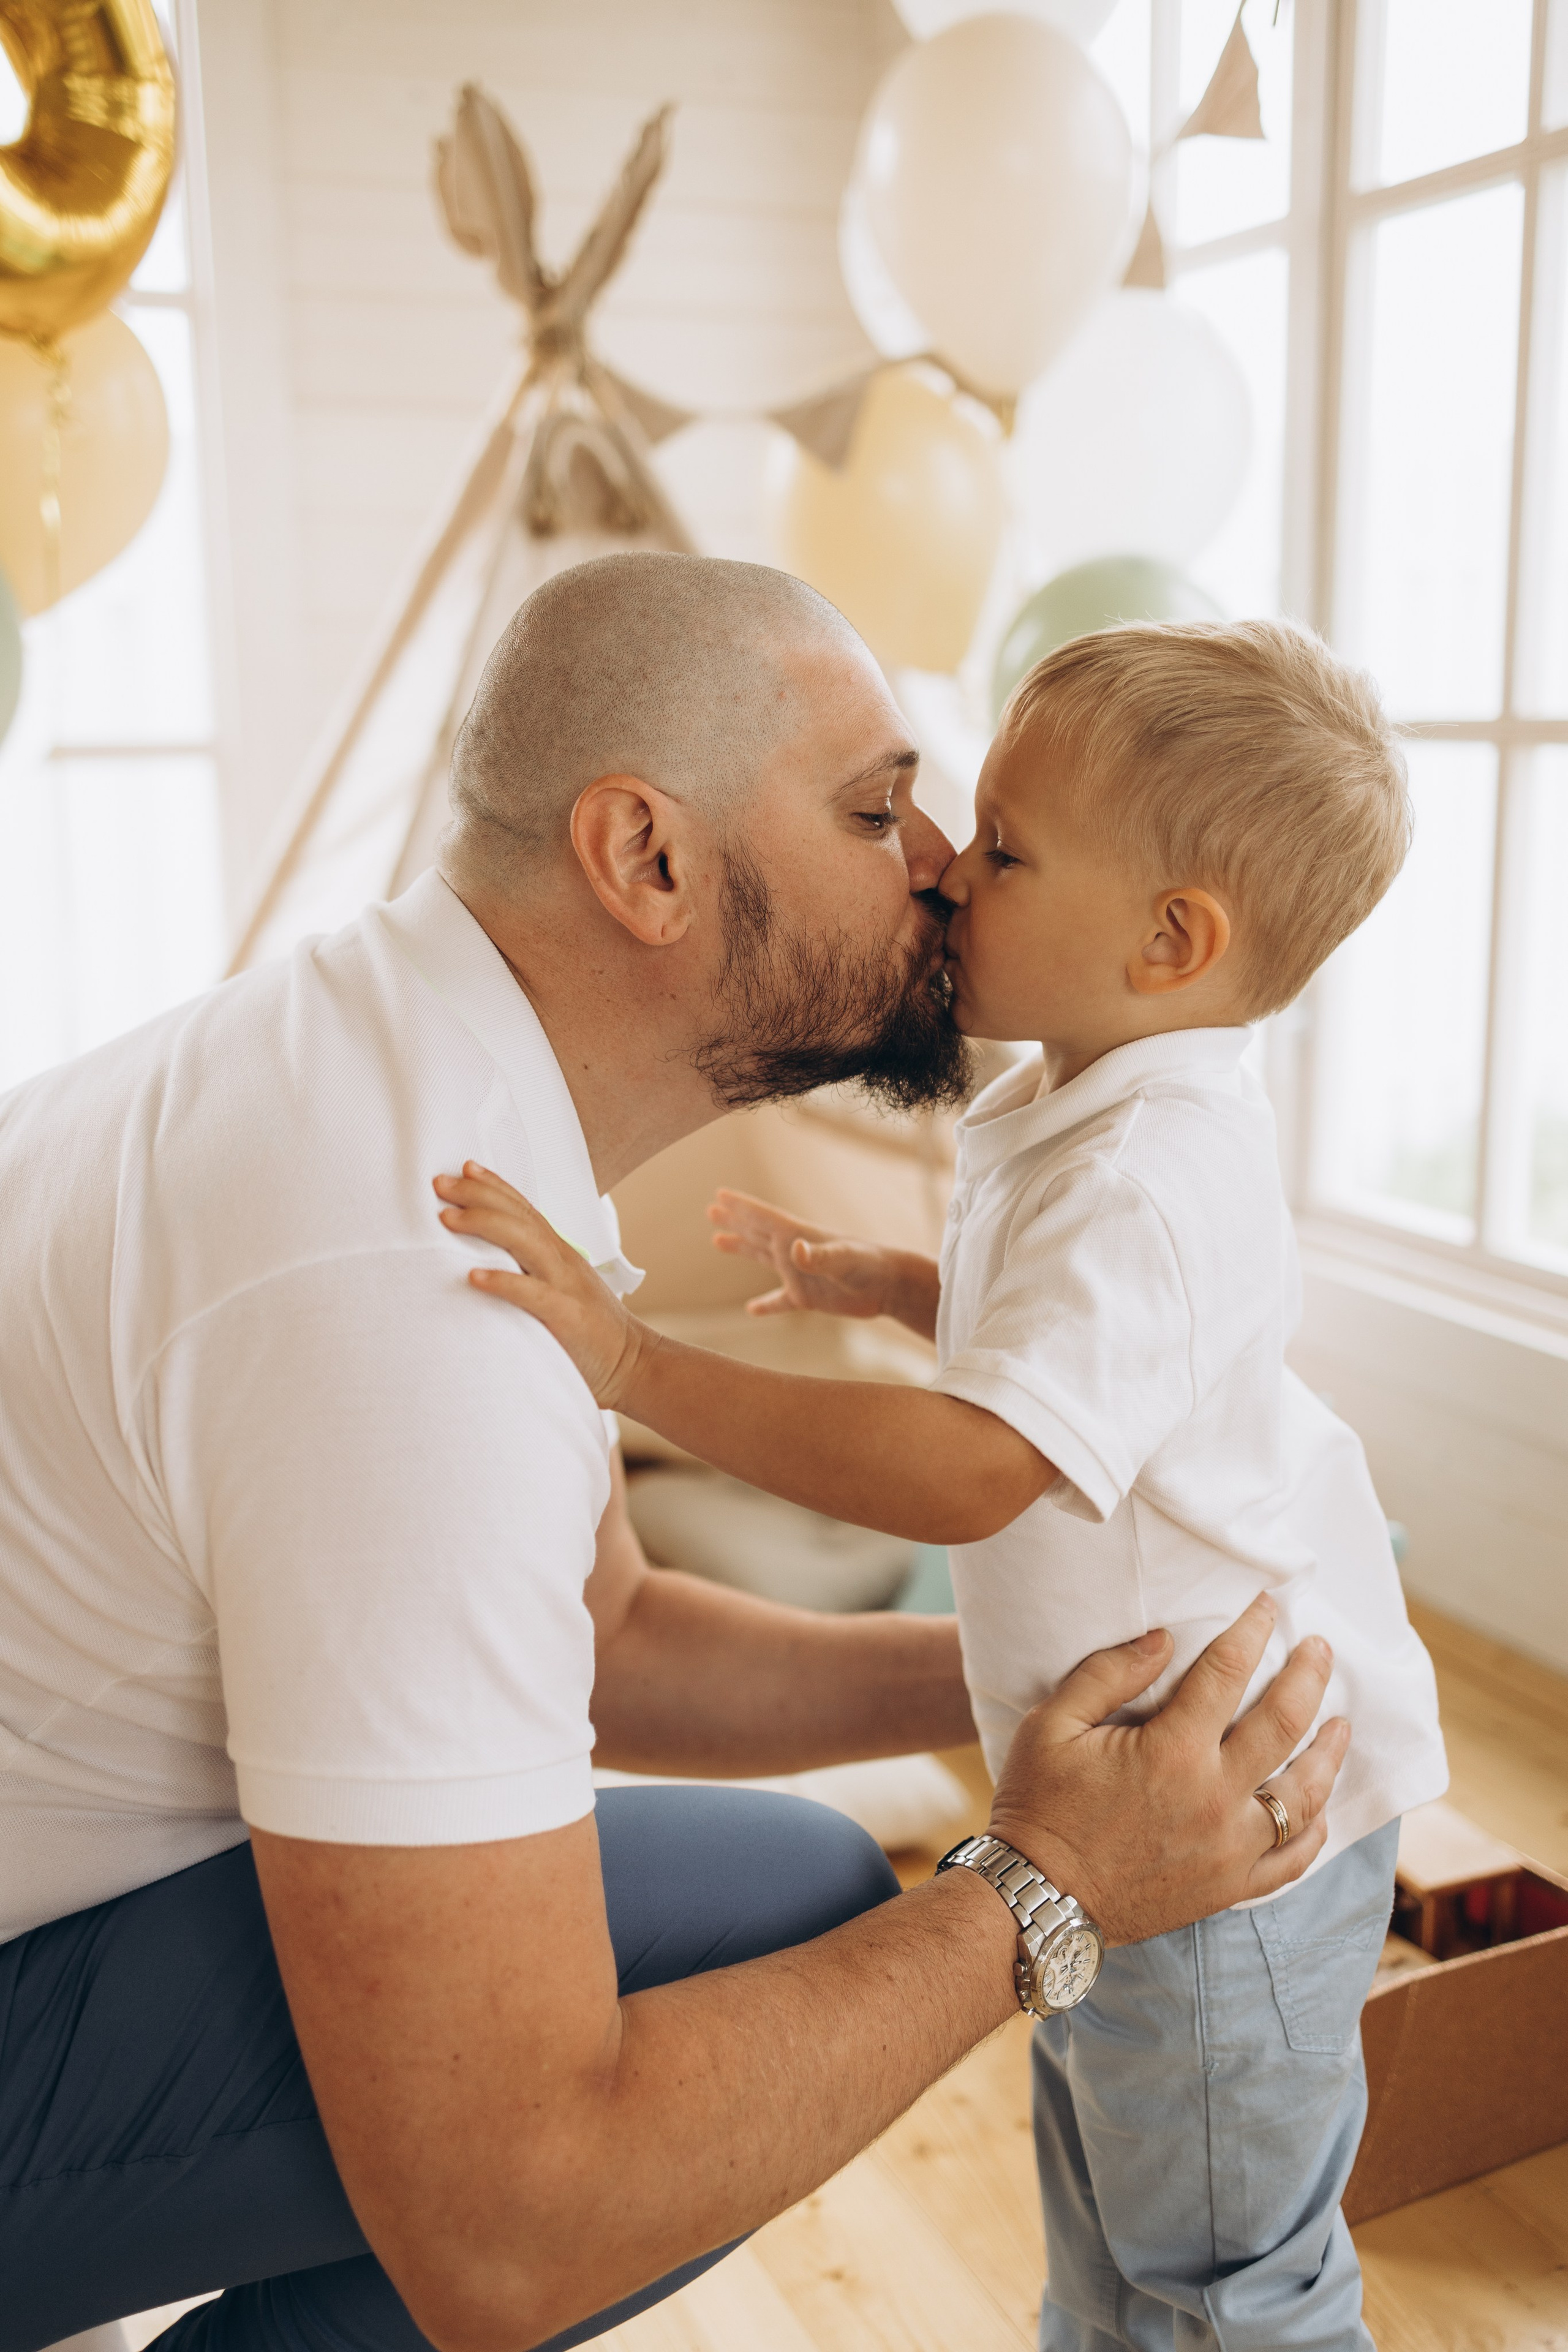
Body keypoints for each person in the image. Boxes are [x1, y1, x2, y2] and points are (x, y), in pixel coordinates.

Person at [0, 558, 1349, 2352]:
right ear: (648, 859)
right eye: (881, 807)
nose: (943, 858)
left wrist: (1045, 1698)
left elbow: (611, 1647)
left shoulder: (394, 1074)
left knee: (776, 1894)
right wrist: (1050, 1882)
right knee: (697, 2005)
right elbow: (506, 2240)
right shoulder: (412, 1298)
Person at [430, 615, 1447, 2352]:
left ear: (1170, 941)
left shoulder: (1150, 1172)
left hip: (1229, 1840)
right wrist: (892, 1285)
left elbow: (985, 1466)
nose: (950, 875)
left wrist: (640, 1366)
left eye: (1008, 847)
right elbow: (1064, 1355)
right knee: (1114, 2228)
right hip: (1123, 1800)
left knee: (1224, 2282)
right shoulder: (1074, 1102)